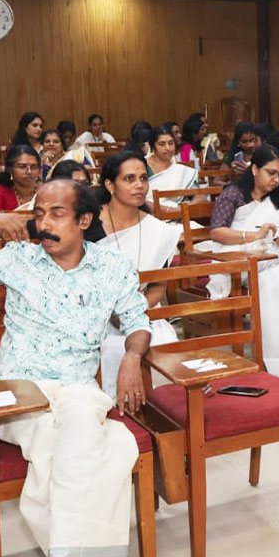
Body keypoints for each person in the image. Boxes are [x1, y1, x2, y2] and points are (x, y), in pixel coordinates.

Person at [0, 181, 151, 557]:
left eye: (56, 214)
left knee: (74, 434)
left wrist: (132, 357)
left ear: (84, 219)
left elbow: (137, 320)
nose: (43, 224)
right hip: (18, 393)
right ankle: (83, 555)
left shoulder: (112, 267)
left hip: (77, 389)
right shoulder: (18, 259)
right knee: (96, 447)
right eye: (38, 214)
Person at [207, 145, 279, 382]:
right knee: (275, 282)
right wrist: (254, 237)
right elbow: (217, 232)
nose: (276, 180)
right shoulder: (234, 193)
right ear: (254, 169)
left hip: (276, 255)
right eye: (270, 173)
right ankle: (276, 361)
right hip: (237, 255)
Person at [96, 151, 182, 399]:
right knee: (107, 346)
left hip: (140, 312)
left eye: (144, 178)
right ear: (110, 185)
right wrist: (110, 312)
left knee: (164, 337)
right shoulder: (88, 223)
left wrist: (134, 310)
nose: (139, 186)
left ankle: (159, 410)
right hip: (94, 315)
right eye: (129, 179)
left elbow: (157, 288)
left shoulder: (158, 231)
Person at [26, 160, 106, 243]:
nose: (82, 189)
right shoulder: (39, 224)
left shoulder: (90, 218)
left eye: (85, 184)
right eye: (76, 184)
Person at [146, 127, 198, 210]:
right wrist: (166, 210)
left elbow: (200, 195)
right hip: (147, 215)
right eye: (162, 144)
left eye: (171, 143)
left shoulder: (180, 171)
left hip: (178, 216)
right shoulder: (142, 166)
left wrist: (185, 209)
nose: (168, 148)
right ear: (153, 146)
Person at [0, 145, 40, 212]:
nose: (29, 172)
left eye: (34, 167)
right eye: (22, 167)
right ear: (10, 170)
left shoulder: (46, 190)